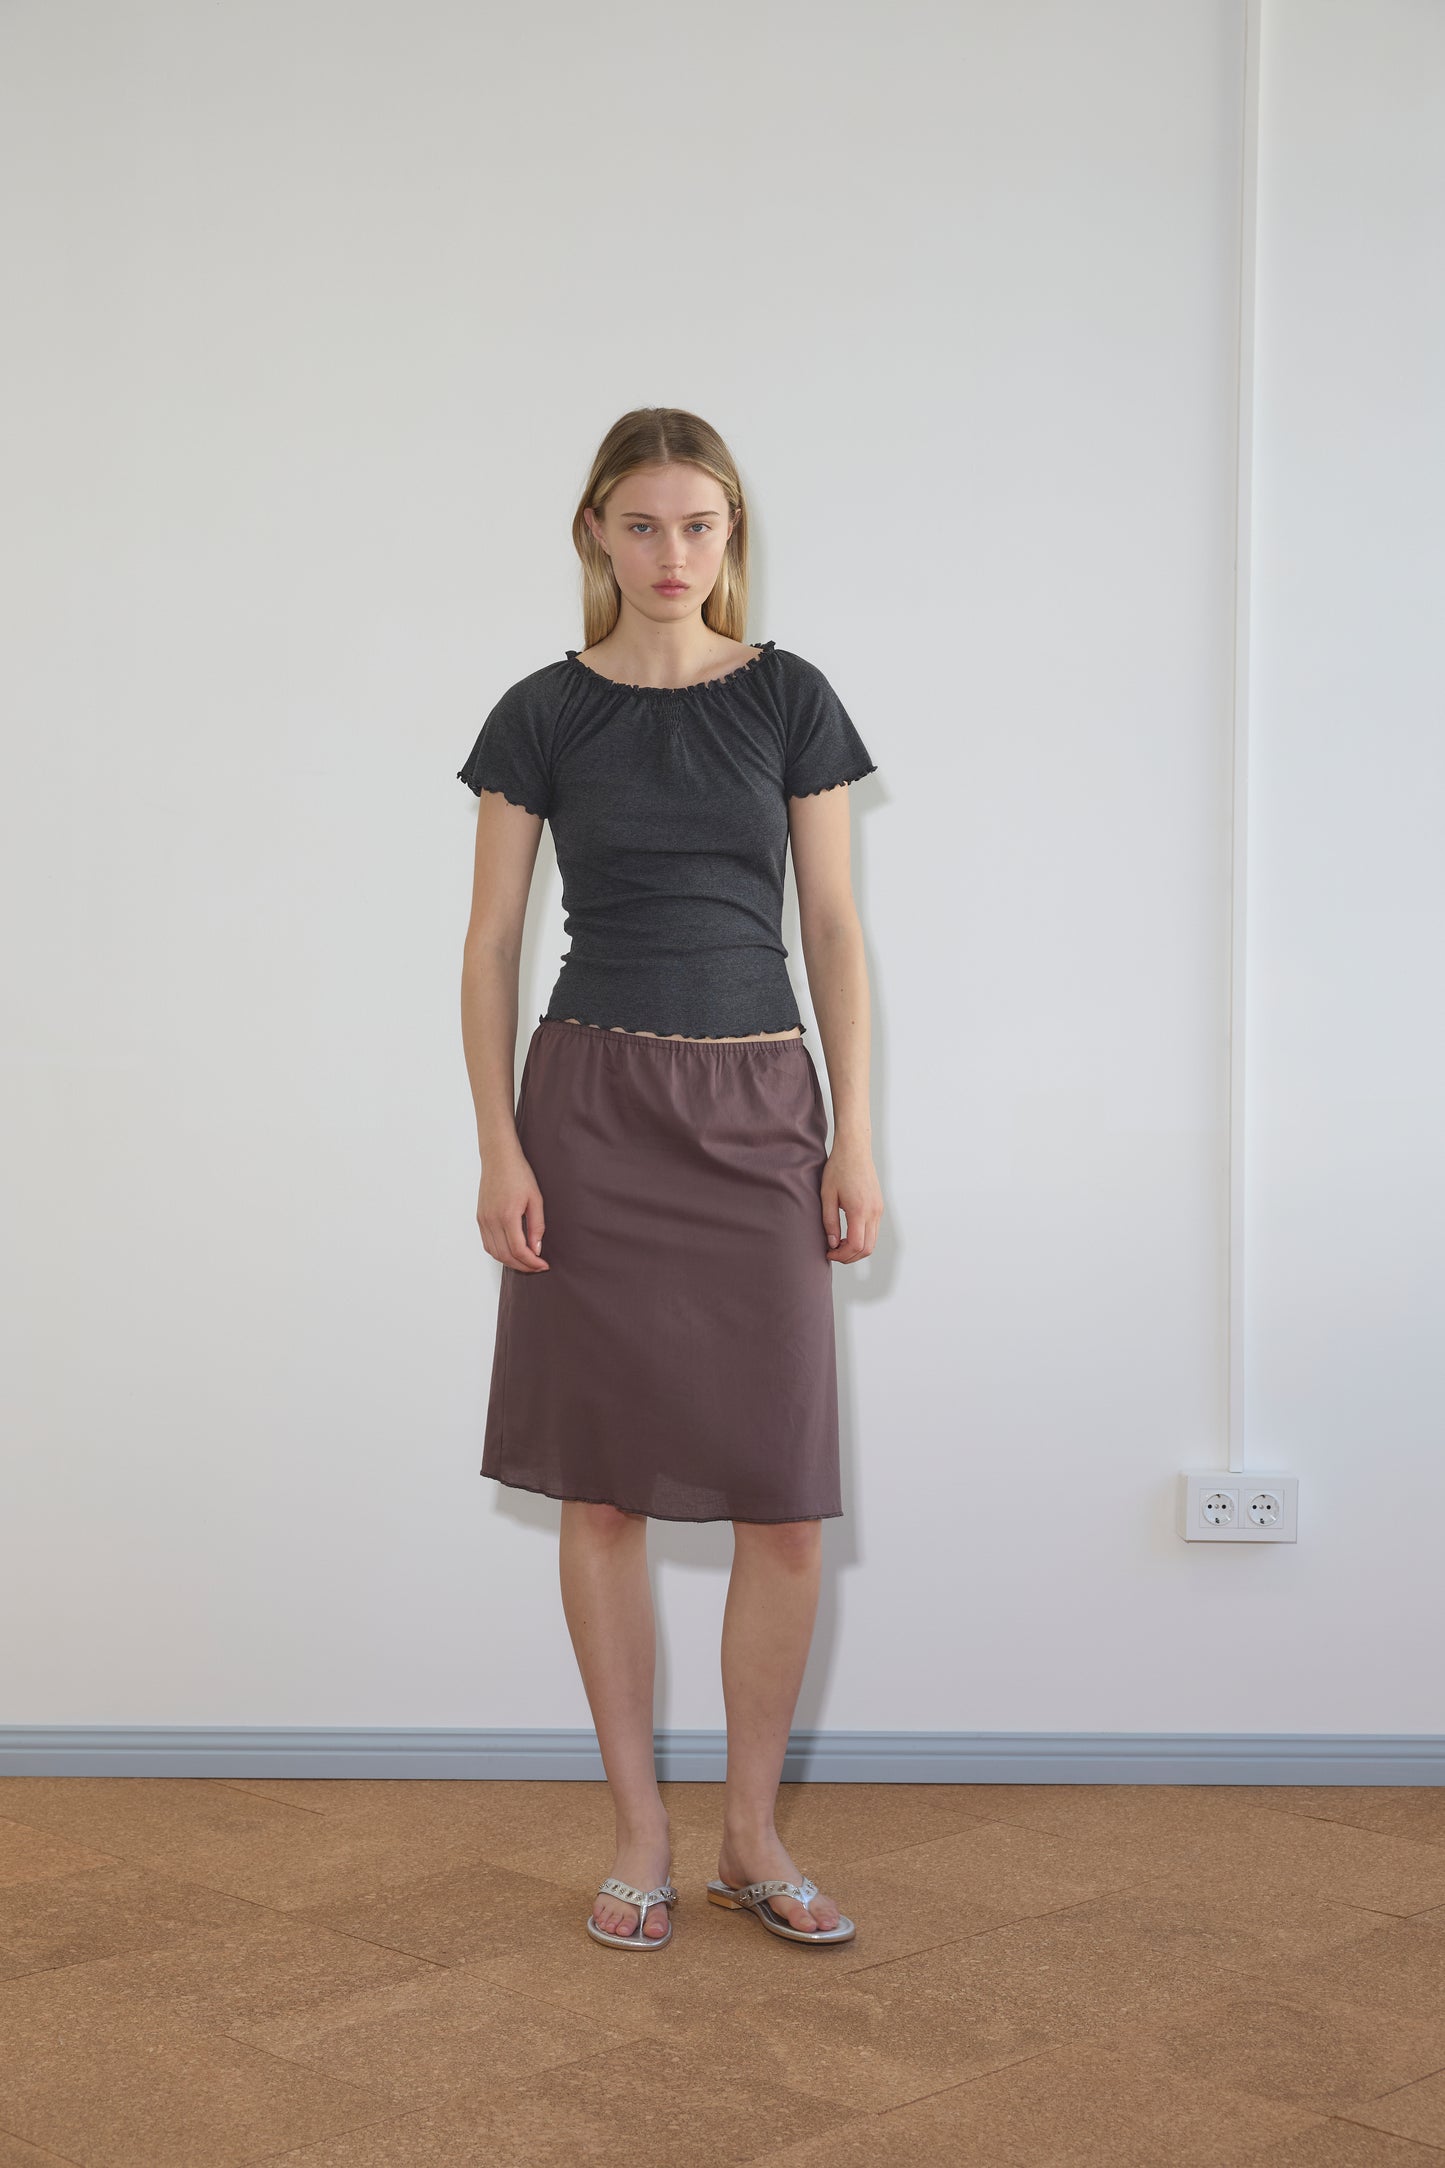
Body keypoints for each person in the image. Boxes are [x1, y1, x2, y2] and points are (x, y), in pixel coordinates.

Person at [456, 407, 883, 1951]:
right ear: (595, 535)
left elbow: (829, 929)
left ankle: (750, 1833)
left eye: (696, 526)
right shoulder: (539, 714)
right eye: (640, 526)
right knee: (602, 1492)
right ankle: (638, 1826)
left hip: (759, 1103)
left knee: (779, 1506)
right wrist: (500, 1140)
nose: (669, 554)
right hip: (590, 1108)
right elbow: (493, 942)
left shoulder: (788, 698)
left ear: (730, 538)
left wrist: (854, 1134)